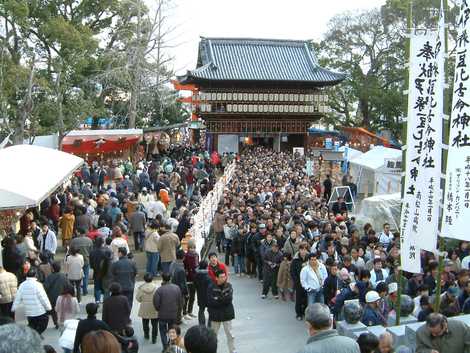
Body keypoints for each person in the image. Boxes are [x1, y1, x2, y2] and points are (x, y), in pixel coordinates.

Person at [12, 268, 52, 335]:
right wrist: (48, 307)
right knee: (43, 323)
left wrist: (14, 308)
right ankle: (37, 335)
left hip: (29, 312)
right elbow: (43, 298)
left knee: (32, 326)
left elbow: (17, 298)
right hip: (39, 311)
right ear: (35, 275)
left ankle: (34, 336)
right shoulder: (38, 285)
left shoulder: (22, 285)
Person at [207, 270, 235, 353]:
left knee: (230, 335)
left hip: (227, 315)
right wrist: (222, 299)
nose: (224, 278)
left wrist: (218, 299)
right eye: (221, 277)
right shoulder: (211, 287)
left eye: (224, 276)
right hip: (215, 315)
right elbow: (210, 301)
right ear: (216, 278)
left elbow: (229, 299)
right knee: (213, 336)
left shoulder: (229, 286)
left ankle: (232, 351)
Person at [153, 273, 183, 350]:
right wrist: (179, 313)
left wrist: (159, 309)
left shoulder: (159, 290)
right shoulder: (177, 288)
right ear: (170, 278)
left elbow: (156, 304)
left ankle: (165, 346)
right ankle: (172, 345)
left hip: (162, 315)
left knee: (163, 332)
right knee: (172, 331)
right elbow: (180, 302)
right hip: (173, 314)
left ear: (162, 279)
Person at [44, 261, 70, 329]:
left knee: (53, 311)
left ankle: (56, 323)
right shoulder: (64, 276)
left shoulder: (49, 277)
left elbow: (45, 287)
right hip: (63, 297)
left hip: (52, 297)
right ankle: (63, 321)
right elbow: (68, 286)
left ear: (52, 269)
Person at [136, 273, 158, 344]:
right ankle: (154, 338)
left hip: (144, 307)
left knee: (145, 323)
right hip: (154, 307)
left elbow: (138, 298)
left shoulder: (141, 288)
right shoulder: (156, 287)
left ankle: (146, 335)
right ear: (152, 279)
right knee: (155, 324)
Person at [70, 230, 93, 296]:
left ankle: (78, 290)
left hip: (76, 260)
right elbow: (91, 250)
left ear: (79, 232)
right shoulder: (89, 240)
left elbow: (70, 250)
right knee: (85, 276)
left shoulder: (74, 241)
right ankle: (85, 290)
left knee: (77, 276)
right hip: (86, 260)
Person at [90, 237, 112, 304]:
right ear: (103, 242)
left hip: (96, 272)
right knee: (106, 288)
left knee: (97, 287)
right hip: (106, 272)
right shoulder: (107, 251)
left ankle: (97, 300)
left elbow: (91, 264)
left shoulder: (92, 252)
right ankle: (106, 301)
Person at [292, 243, 309, 320]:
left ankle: (305, 312)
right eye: (302, 249)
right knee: (298, 299)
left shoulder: (309, 258)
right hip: (298, 283)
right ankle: (298, 314)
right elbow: (292, 272)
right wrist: (296, 281)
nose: (303, 251)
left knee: (306, 298)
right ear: (299, 250)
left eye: (305, 249)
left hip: (308, 283)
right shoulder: (295, 260)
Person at [183, 239, 199, 318]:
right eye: (191, 248)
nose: (192, 249)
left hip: (194, 278)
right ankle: (185, 312)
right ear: (188, 248)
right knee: (187, 296)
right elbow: (185, 266)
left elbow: (197, 265)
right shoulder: (186, 256)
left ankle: (190, 311)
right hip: (188, 278)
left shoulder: (196, 254)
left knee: (192, 296)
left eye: (193, 247)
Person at [194, 260, 211, 326]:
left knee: (201, 310)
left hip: (200, 295)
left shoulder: (196, 276)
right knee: (210, 311)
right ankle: (209, 325)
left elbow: (195, 285)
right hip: (208, 296)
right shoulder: (208, 277)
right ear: (206, 266)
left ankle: (201, 325)